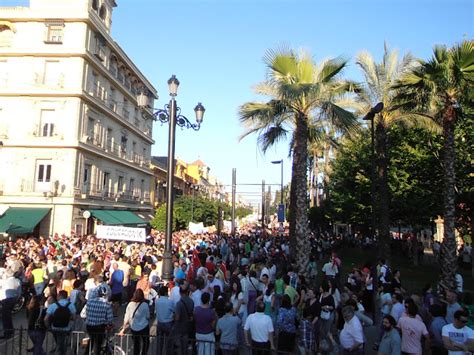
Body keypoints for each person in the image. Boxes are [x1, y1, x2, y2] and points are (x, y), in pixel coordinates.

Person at [119, 289, 150, 355]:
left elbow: (126, 317)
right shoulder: (145, 304)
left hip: (134, 327)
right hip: (144, 326)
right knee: (146, 342)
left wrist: (123, 329)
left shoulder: (130, 304)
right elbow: (148, 316)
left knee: (136, 344)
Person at [84, 285, 114, 355]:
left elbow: (83, 314)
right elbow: (110, 318)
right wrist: (109, 323)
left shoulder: (89, 302)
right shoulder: (106, 303)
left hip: (89, 326)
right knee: (98, 343)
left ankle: (86, 353)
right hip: (100, 326)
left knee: (91, 340)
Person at [45, 290, 76, 355]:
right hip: (66, 328)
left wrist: (49, 327)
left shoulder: (53, 305)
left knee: (58, 342)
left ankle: (58, 350)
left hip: (55, 327)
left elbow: (46, 318)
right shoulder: (71, 305)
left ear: (59, 296)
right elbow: (74, 318)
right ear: (66, 296)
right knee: (63, 343)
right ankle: (61, 352)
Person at [174, 281, 195, 355]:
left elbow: (177, 317)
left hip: (180, 328)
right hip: (188, 326)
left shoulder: (179, 304)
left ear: (180, 293)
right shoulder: (191, 301)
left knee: (179, 346)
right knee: (185, 346)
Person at [0, 268, 21, 338]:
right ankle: (10, 331)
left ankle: (8, 333)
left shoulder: (5, 281)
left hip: (5, 300)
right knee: (7, 316)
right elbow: (19, 293)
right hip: (13, 299)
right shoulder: (17, 281)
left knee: (5, 317)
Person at [155, 285, 175, 355]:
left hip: (160, 323)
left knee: (159, 343)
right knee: (169, 343)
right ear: (166, 293)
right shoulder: (170, 302)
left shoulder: (157, 301)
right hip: (168, 323)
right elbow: (174, 311)